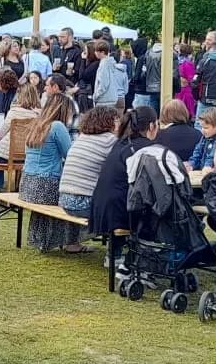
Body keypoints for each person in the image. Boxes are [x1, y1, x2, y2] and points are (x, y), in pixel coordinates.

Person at [55, 105, 121, 251]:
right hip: (84, 203)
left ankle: (72, 243)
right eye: (117, 120)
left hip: (65, 200)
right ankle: (115, 254)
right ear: (109, 121)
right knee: (121, 207)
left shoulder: (82, 138)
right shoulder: (110, 140)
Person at [90, 107, 159, 239]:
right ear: (151, 126)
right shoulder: (145, 148)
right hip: (120, 212)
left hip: (101, 208)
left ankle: (118, 252)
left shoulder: (121, 143)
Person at [22, 96, 78, 252]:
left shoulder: (36, 124)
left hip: (27, 183)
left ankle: (43, 239)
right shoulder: (58, 127)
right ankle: (72, 242)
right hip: (46, 183)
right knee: (74, 197)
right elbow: (70, 155)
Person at [155, 99, 202, 163]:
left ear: (164, 114)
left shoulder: (159, 135)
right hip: (193, 171)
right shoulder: (199, 134)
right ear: (185, 112)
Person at [91, 40, 128, 109]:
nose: (95, 53)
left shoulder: (104, 64)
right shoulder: (110, 62)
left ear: (102, 52)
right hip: (112, 97)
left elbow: (103, 83)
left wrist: (96, 96)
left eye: (96, 51)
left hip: (104, 100)